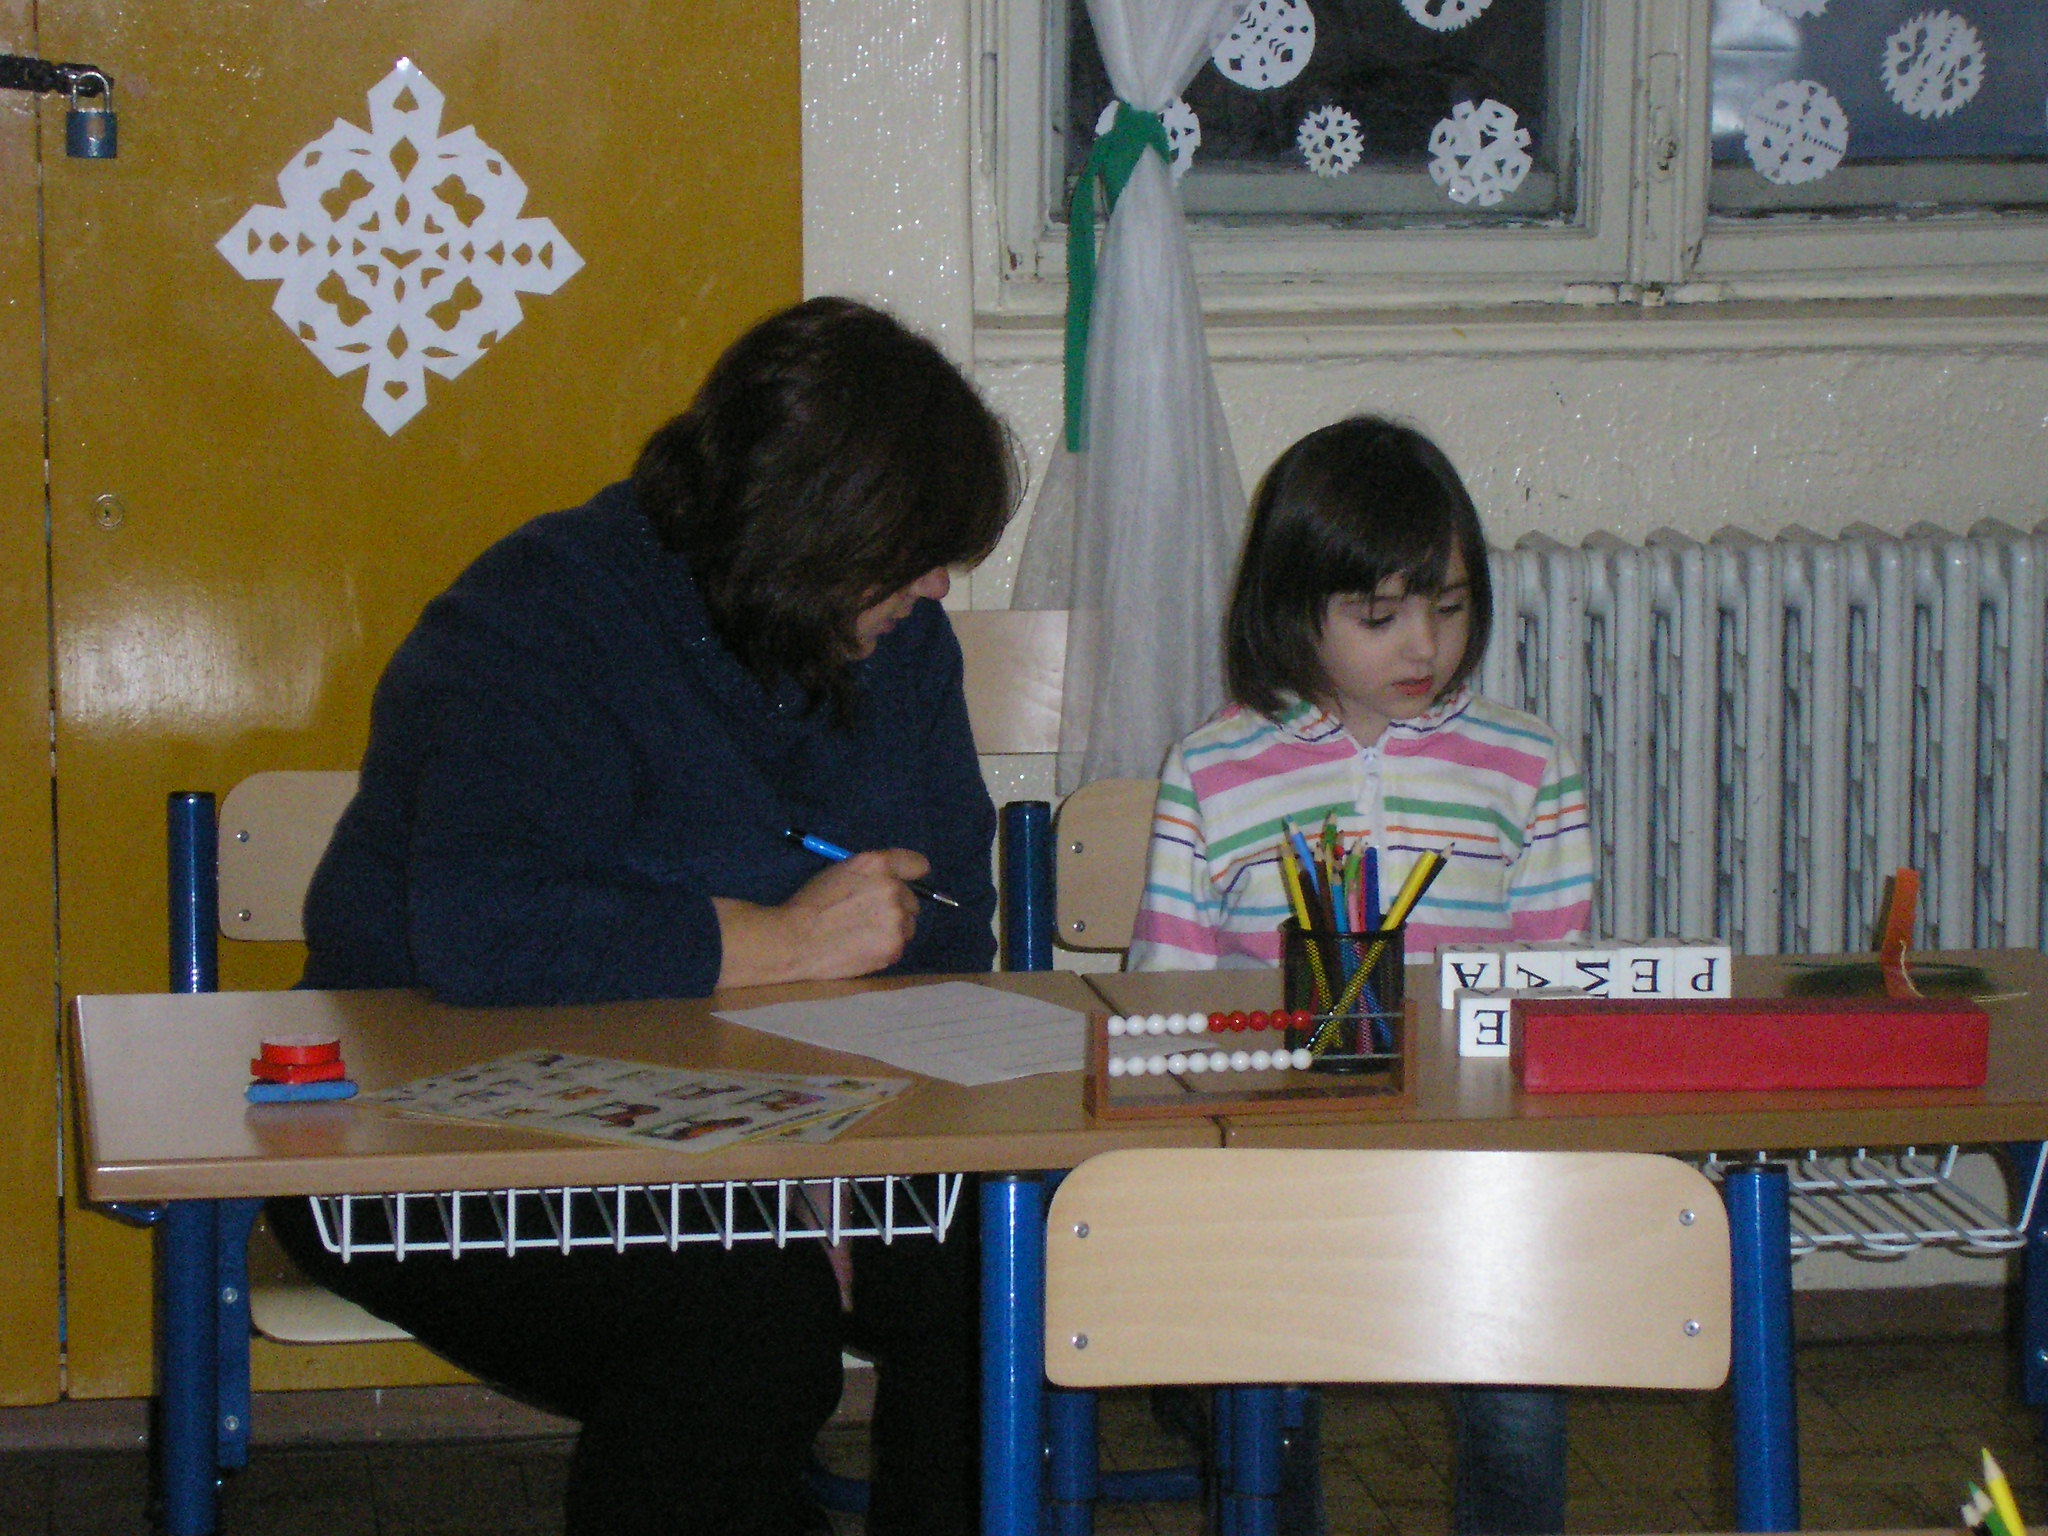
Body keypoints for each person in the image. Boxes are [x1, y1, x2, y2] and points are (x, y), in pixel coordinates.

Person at [268, 296, 1017, 1536]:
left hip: (781, 1124)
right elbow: (481, 930)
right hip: (424, 1130)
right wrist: (783, 943)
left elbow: (948, 916)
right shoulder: (541, 612)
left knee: (1002, 1265)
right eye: (910, 553)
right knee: (741, 1330)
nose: (937, 584)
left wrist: (821, 1141)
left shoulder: (905, 646)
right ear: (806, 531)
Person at [1127, 415, 1595, 1535]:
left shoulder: (1528, 766)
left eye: (1451, 606)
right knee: (1267, 1407)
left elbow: (1558, 988)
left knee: (1521, 1399)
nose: (1424, 645)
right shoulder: (1213, 771)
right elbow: (1167, 997)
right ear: (1294, 609)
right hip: (1278, 1167)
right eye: (1379, 616)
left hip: (1475, 1162)